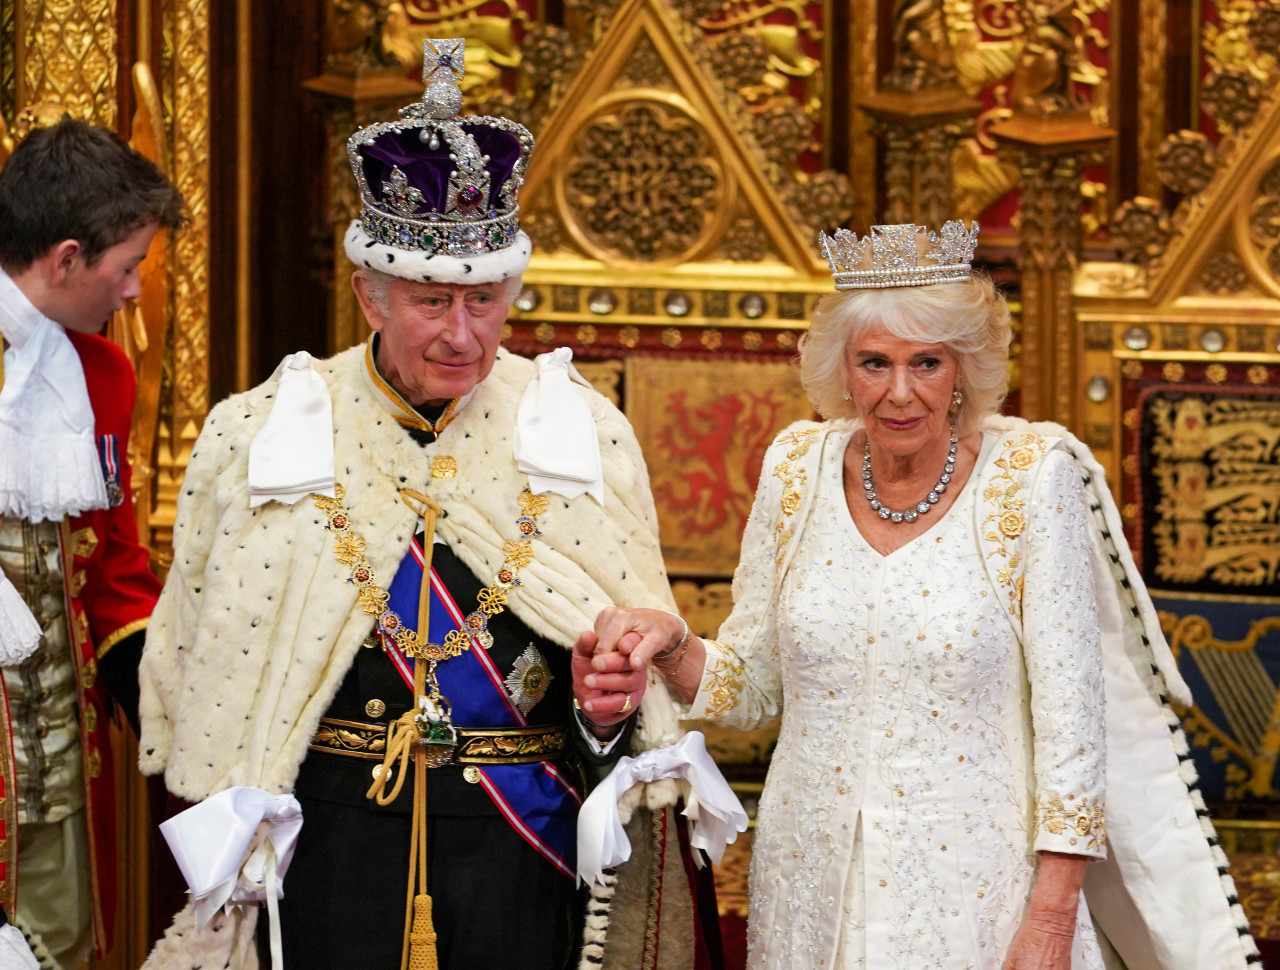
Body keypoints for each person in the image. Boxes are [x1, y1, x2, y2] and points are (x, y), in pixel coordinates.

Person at [138, 39, 711, 970]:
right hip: (324, 844)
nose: (462, 334)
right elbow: (206, 664)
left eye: (485, 301)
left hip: (515, 850)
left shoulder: (581, 429)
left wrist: (608, 712)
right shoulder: (260, 429)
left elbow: (623, 695)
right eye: (430, 301)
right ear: (368, 293)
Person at [574, 222, 1262, 969]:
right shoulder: (796, 468)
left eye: (926, 363)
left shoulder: (1030, 480)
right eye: (874, 363)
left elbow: (1073, 724)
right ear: (844, 367)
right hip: (810, 883)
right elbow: (753, 687)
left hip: (978, 894)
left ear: (962, 369)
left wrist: (1054, 915)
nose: (899, 393)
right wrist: (675, 645)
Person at [0, 117, 183, 970]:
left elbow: (111, 568)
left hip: (63, 775)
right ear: (67, 258)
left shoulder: (101, 376)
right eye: (129, 265)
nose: (137, 291)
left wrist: (170, 713)